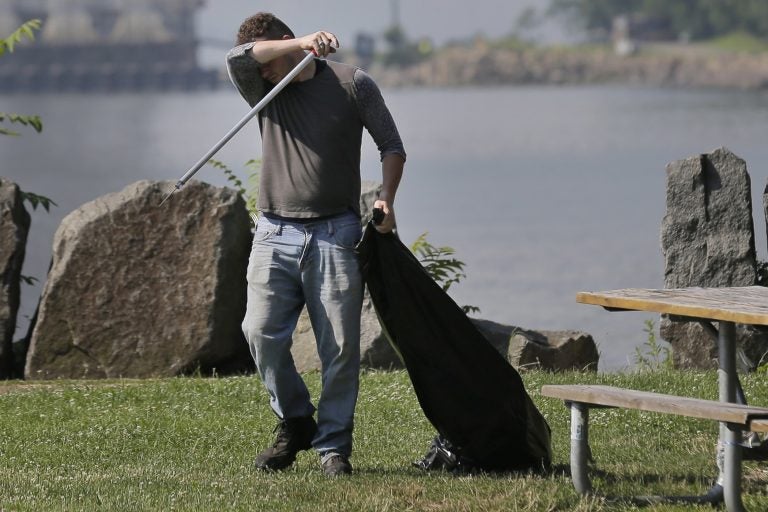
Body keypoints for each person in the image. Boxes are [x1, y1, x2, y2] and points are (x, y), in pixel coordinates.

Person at [226, 12, 406, 476]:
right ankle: (296, 421)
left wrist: (386, 198)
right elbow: (240, 58)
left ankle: (333, 448)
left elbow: (391, 145)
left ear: (288, 44)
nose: (264, 70)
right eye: (263, 62)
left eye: (272, 57)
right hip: (273, 231)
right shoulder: (263, 87)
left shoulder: (354, 84)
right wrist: (300, 42)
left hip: (336, 231)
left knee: (341, 348)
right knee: (258, 333)